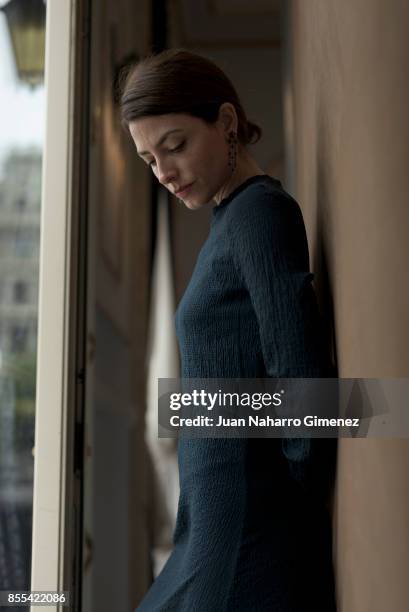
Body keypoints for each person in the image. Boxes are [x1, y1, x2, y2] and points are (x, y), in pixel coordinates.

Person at [121, 48, 337, 611]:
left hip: (248, 527)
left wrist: (291, 497)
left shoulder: (261, 213)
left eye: (175, 146)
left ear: (226, 121)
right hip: (215, 517)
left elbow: (300, 373)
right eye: (148, 159)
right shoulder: (230, 219)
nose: (164, 172)